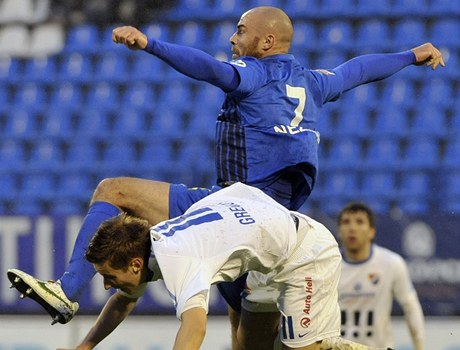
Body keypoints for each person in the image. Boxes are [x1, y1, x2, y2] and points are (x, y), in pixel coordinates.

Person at [7, 4, 443, 347]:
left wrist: (151, 44)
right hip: (267, 228)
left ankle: (67, 290)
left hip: (232, 207)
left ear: (266, 41)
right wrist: (410, 55)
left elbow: (211, 70)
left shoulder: (253, 74)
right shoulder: (312, 82)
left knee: (112, 190)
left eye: (240, 31)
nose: (232, 37)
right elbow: (359, 70)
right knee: (245, 341)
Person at [55, 182, 344, 350]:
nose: (106, 285)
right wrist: (85, 346)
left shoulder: (179, 257)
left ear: (134, 264)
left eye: (108, 276)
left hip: (305, 256)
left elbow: (194, 328)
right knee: (249, 346)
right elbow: (123, 302)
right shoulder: (152, 241)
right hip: (268, 261)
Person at [336, 202, 425, 350]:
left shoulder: (391, 263)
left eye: (360, 222)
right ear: (339, 231)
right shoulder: (327, 264)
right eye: (346, 222)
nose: (352, 228)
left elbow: (411, 306)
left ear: (372, 231)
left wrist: (419, 346)